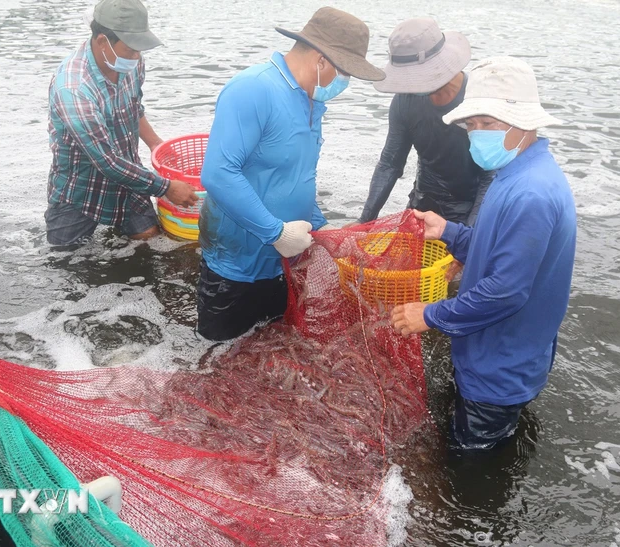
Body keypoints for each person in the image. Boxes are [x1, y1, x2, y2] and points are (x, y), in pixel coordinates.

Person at [390, 57, 577, 450]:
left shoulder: (531, 194)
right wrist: (450, 232)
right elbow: (498, 249)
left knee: (469, 466)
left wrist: (430, 314)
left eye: (488, 124)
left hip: (498, 371)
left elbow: (505, 291)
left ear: (523, 122)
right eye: (472, 125)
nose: (477, 134)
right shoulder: (515, 173)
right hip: (495, 353)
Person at [197, 7, 385, 342]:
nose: (346, 84)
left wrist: (319, 221)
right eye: (346, 74)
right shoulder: (253, 90)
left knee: (274, 350)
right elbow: (218, 173)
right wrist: (276, 233)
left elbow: (294, 176)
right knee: (219, 360)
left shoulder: (311, 102)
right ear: (322, 61)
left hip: (286, 262)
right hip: (237, 263)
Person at [45, 0, 198, 246]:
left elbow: (134, 108)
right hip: (81, 189)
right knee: (65, 259)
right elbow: (108, 162)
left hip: (129, 180)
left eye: (140, 48)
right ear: (103, 41)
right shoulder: (74, 89)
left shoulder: (130, 62)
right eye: (131, 49)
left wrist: (157, 144)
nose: (137, 56)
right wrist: (166, 187)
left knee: (149, 241)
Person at [358, 18, 488, 226]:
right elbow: (390, 163)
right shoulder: (404, 101)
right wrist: (365, 220)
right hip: (423, 206)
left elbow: (490, 176)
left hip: (472, 207)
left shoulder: (478, 100)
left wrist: (469, 235)